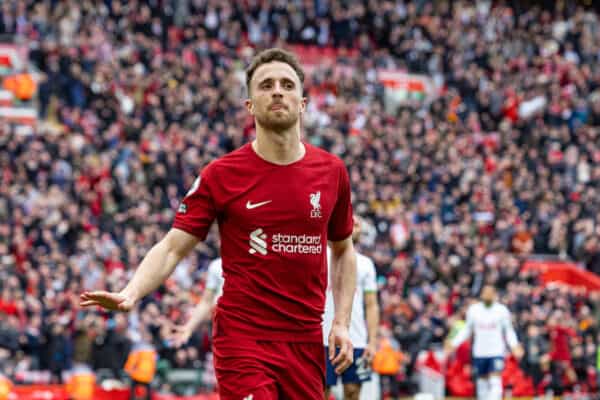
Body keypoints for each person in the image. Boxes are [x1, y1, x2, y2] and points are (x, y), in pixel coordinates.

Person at [80, 47, 357, 400]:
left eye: (287, 85)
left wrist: (342, 323)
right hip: (244, 338)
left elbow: (343, 250)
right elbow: (172, 246)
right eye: (266, 85)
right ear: (250, 105)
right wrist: (130, 292)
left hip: (304, 338)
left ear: (303, 103)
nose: (277, 91)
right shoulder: (221, 175)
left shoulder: (332, 172)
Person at [323, 216, 379, 400]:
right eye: (352, 222)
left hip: (357, 339)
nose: (355, 227)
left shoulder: (366, 264)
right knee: (320, 392)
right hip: (322, 338)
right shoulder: (321, 256)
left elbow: (371, 305)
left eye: (358, 225)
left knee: (353, 392)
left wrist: (372, 341)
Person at [445, 285, 524, 400]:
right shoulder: (474, 310)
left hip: (496, 352)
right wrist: (454, 343)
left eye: (490, 292)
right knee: (482, 383)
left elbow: (509, 331)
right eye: (485, 292)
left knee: (495, 381)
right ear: (481, 294)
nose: (488, 295)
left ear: (495, 294)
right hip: (480, 352)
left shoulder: (501, 310)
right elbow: (467, 330)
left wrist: (515, 345)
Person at [169, 257, 224, 347]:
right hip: (225, 327)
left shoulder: (254, 261)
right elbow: (206, 301)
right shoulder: (217, 266)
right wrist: (189, 327)